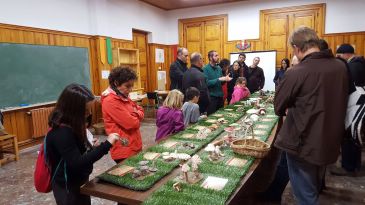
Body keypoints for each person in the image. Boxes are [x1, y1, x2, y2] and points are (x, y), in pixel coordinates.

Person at [274, 27, 349, 205]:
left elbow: (278, 106)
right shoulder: (340, 66)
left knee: (305, 196)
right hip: (329, 139)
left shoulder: (297, 71)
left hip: (303, 142)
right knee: (314, 185)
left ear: (296, 47)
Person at [46, 83, 121, 205]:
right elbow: (78, 163)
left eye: (89, 109)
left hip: (78, 182)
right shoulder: (61, 132)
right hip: (67, 187)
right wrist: (106, 144)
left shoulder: (71, 125)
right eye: (85, 111)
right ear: (72, 109)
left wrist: (90, 147)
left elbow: (77, 153)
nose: (89, 114)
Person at [330, 44, 365, 176]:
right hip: (359, 104)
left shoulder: (353, 66)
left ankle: (348, 167)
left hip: (354, 104)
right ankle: (354, 165)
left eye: (339, 56)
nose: (338, 59)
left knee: (349, 134)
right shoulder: (359, 63)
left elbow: (347, 88)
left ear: (346, 54)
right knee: (354, 134)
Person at [101, 67, 144, 163]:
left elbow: (140, 110)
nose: (130, 89)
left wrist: (135, 113)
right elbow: (132, 124)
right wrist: (136, 114)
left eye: (132, 86)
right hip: (124, 149)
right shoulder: (110, 101)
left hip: (134, 144)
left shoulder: (123, 95)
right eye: (128, 86)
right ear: (116, 83)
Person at [203, 50, 231, 115]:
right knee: (212, 117)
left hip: (220, 97)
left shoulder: (219, 68)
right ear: (210, 57)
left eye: (218, 55)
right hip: (212, 97)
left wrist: (225, 79)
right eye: (216, 56)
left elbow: (220, 82)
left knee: (220, 116)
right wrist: (219, 79)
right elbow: (207, 83)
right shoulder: (205, 68)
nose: (218, 57)